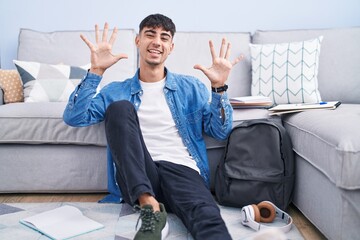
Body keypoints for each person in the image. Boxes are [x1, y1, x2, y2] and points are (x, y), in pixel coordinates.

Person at [63, 13, 243, 240]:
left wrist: (219, 88)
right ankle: (150, 206)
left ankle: (155, 208)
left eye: (164, 37)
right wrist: (96, 72)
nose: (157, 41)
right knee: (120, 108)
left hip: (182, 168)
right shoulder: (115, 91)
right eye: (150, 34)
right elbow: (74, 117)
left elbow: (220, 131)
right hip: (138, 175)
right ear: (138, 41)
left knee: (207, 216)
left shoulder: (191, 87)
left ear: (171, 47)